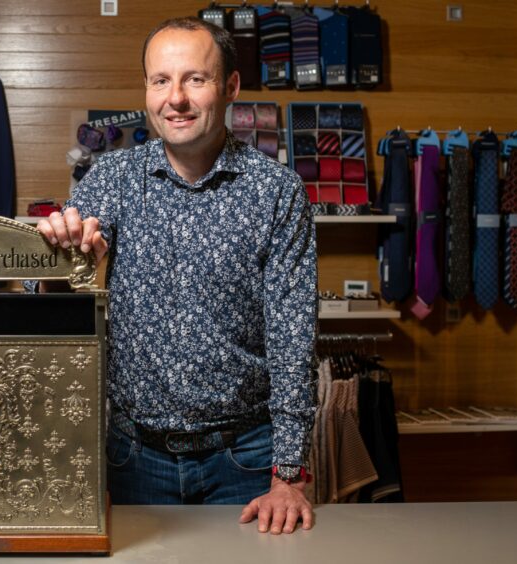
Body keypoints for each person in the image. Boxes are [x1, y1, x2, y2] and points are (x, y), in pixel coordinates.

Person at [36, 17, 317, 535]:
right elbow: (58, 309)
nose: (176, 99)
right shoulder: (110, 179)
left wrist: (290, 475)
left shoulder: (277, 193)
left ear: (230, 87)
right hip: (132, 458)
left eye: (195, 79)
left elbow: (292, 339)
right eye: (160, 80)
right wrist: (60, 263)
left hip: (246, 462)